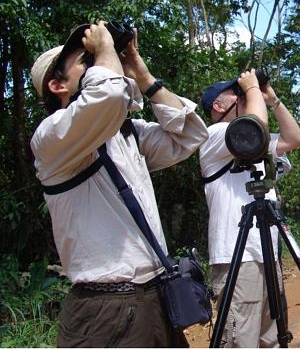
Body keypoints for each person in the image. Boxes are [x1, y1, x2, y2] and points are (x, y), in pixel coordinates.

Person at [29, 21, 209, 347]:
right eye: (87, 60)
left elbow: (190, 135)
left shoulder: (126, 133)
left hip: (156, 298)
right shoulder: (51, 139)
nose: (99, 61)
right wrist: (106, 50)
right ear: (58, 85)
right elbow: (109, 95)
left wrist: (139, 71)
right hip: (106, 310)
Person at [199, 72, 300, 347]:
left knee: (270, 338)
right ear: (219, 106)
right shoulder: (216, 135)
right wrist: (253, 87)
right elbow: (255, 126)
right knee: (240, 340)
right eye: (237, 92)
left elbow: (294, 139)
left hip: (266, 251)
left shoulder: (252, 138)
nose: (244, 94)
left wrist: (273, 100)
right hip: (237, 256)